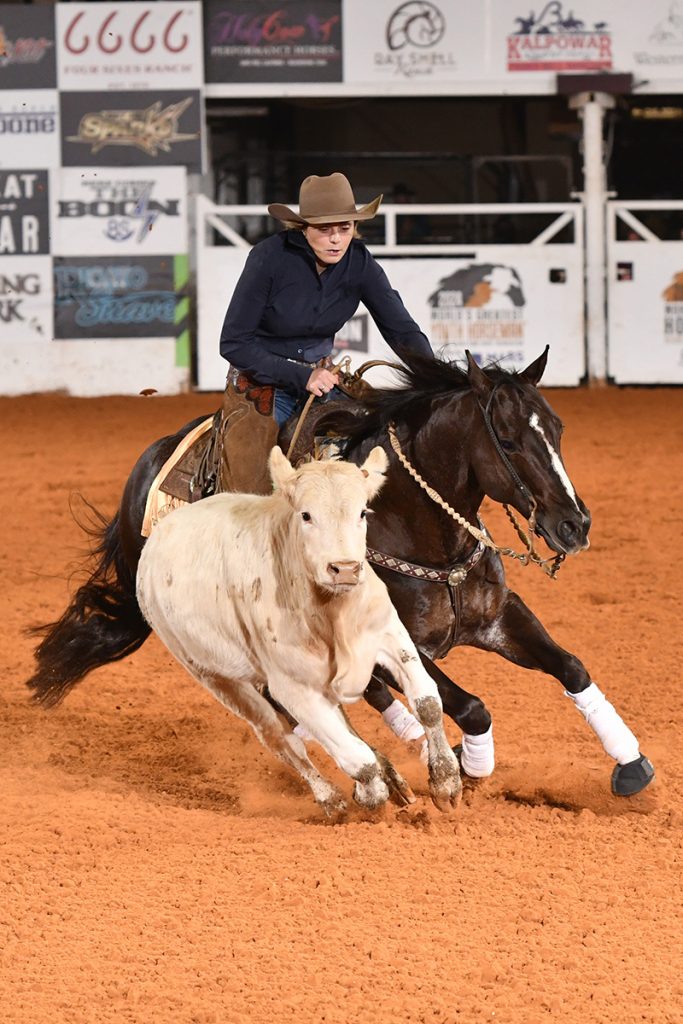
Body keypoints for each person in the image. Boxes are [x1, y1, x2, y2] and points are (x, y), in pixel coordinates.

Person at [219, 171, 434, 426]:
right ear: (303, 228)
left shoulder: (359, 262)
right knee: (258, 455)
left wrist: (434, 377)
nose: (336, 239)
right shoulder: (269, 258)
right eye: (324, 229)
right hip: (263, 379)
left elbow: (402, 331)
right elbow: (234, 343)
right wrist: (302, 376)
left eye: (345, 229)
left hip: (324, 377)